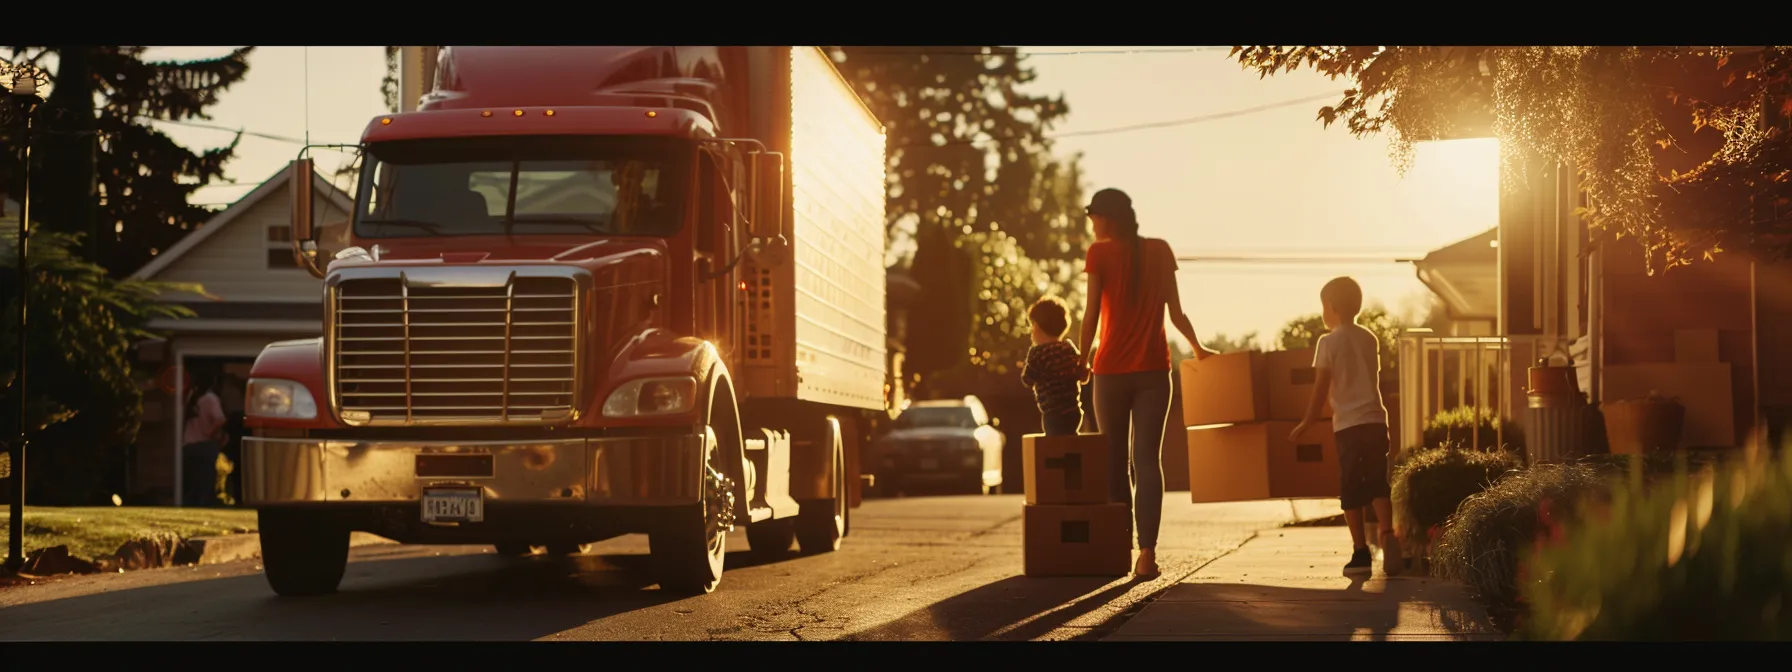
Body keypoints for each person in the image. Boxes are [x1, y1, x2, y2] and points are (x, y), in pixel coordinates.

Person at [1076, 188, 1216, 580]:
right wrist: (1197, 348)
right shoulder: (1160, 250)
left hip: (1109, 373)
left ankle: (1121, 551)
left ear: (1108, 218)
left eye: (1093, 216)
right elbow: (1176, 311)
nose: (1091, 222)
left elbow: (1090, 315)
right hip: (1154, 372)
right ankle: (1147, 556)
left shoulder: (1098, 253)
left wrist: (1084, 361)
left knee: (1114, 463)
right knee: (1147, 461)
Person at [1291, 276, 1400, 577]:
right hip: (1376, 420)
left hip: (1348, 426)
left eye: (1323, 306)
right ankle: (1388, 535)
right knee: (1378, 481)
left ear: (1333, 307)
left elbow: (1321, 384)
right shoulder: (1369, 338)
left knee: (1351, 486)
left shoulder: (1327, 343)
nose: (1322, 313)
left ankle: (1360, 553)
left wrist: (1309, 418)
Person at [1022, 296, 1085, 437]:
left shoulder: (1036, 353)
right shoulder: (1068, 347)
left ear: (1036, 327)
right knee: (1071, 441)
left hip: (1053, 414)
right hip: (1074, 412)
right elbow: (1080, 372)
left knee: (1054, 447)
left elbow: (1027, 379)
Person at [181, 369, 228, 508]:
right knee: (205, 485)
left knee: (192, 485)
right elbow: (220, 420)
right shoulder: (210, 398)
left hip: (189, 445)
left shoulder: (192, 397)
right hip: (205, 446)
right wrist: (213, 434)